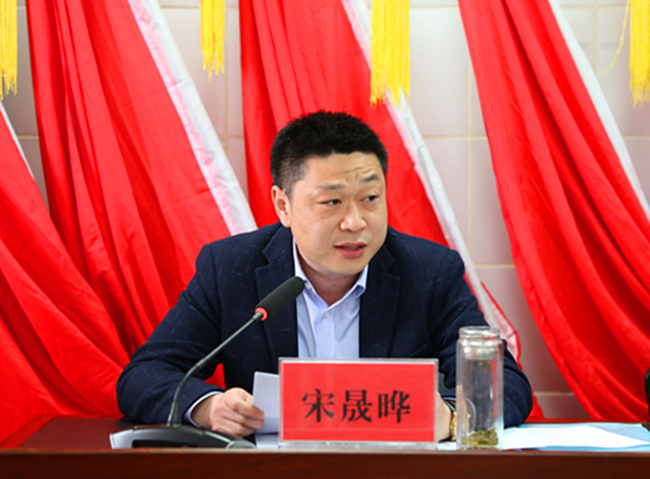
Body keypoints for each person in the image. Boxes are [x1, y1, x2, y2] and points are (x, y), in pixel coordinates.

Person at [116, 111, 532, 440]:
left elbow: (507, 384)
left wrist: (453, 416)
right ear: (283, 206)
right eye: (332, 202)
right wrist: (208, 407)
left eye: (370, 198)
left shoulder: (430, 272)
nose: (355, 222)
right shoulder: (231, 269)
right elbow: (144, 376)